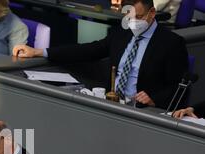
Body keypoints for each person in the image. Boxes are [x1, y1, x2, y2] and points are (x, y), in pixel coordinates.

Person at [13, 0, 189, 108]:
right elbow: (89, 50)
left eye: (139, 17)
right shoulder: (122, 33)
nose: (133, 23)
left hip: (143, 111)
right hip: (111, 104)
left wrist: (154, 99)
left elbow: (178, 88)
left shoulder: (171, 43)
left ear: (152, 13)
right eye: (129, 17)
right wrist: (40, 51)